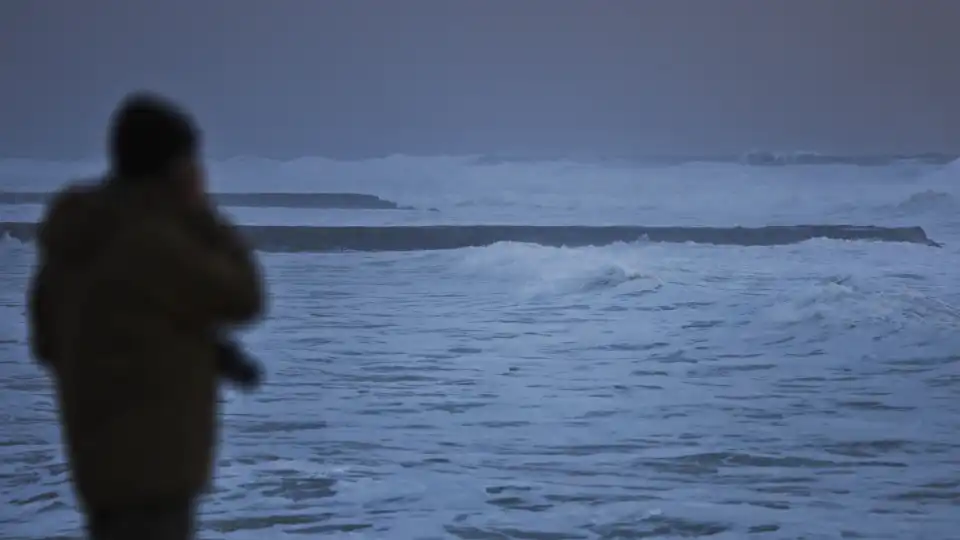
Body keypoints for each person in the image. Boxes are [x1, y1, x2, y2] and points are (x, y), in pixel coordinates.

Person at [26, 92, 266, 540]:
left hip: (98, 463)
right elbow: (244, 297)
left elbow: (46, 343)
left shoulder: (76, 240)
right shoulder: (153, 243)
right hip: (156, 471)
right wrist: (200, 214)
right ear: (174, 167)